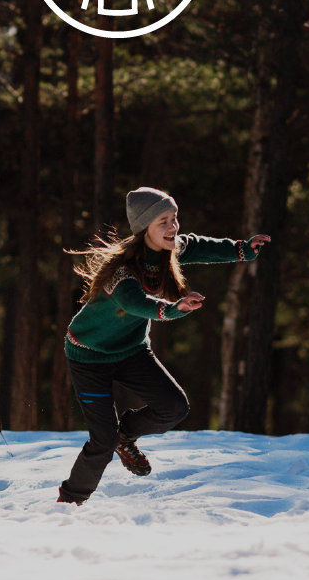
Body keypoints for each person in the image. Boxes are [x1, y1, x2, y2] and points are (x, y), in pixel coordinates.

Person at [57, 186, 270, 505]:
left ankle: (125, 434)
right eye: (163, 222)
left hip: (130, 350)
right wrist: (171, 309)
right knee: (101, 442)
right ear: (144, 228)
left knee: (174, 407)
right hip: (88, 356)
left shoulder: (170, 248)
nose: (173, 228)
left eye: (174, 219)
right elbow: (134, 302)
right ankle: (69, 503)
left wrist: (242, 249)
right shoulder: (121, 271)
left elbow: (197, 246)